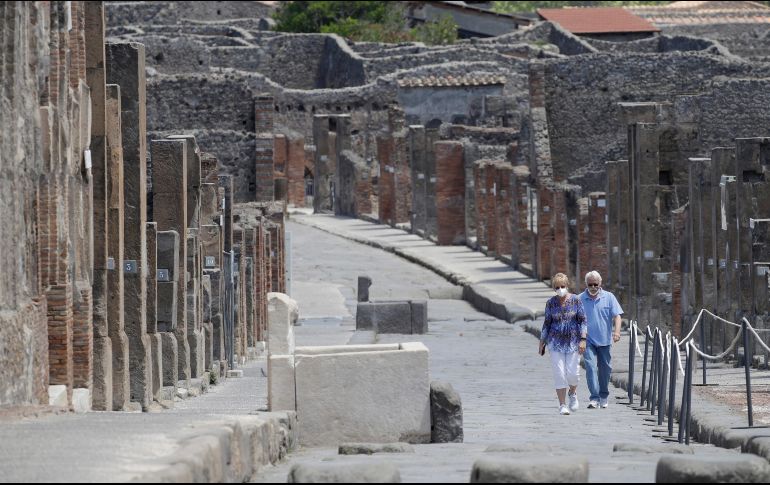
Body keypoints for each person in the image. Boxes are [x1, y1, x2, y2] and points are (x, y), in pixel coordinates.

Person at [539, 273, 587, 415]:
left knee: (573, 374)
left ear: (567, 286)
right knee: (559, 373)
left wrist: (583, 339)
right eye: (557, 287)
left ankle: (572, 393)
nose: (560, 289)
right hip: (555, 343)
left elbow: (583, 320)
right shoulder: (550, 303)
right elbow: (547, 323)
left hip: (573, 342)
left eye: (562, 286)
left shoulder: (576, 300)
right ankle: (562, 405)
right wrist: (542, 342)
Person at [579, 270, 623, 409]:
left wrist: (616, 332)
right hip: (587, 340)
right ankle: (594, 397)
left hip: (605, 339)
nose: (593, 287)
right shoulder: (579, 299)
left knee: (605, 369)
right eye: (590, 284)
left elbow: (617, 316)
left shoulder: (609, 297)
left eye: (595, 284)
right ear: (586, 284)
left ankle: (603, 395)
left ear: (600, 283)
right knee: (591, 367)